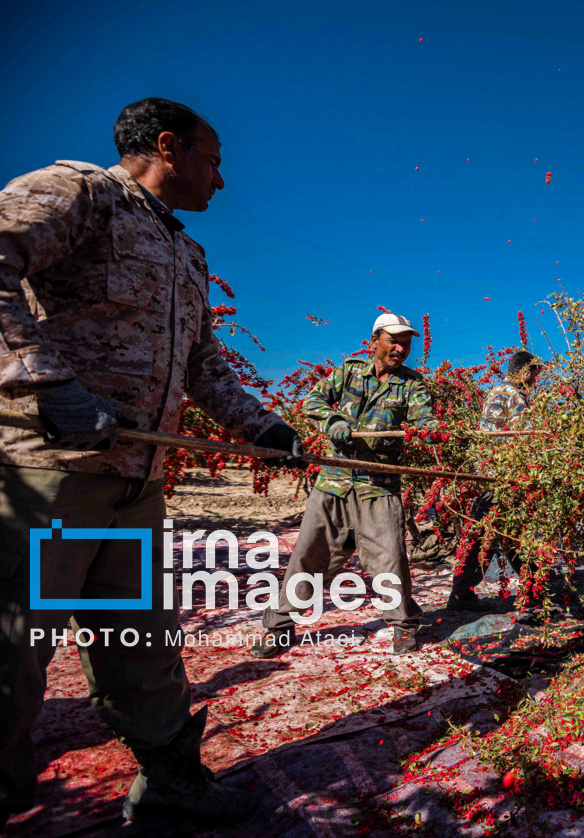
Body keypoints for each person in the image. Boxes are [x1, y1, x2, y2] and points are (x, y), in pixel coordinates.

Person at [0, 98, 304, 826]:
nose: (221, 182)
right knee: (13, 648)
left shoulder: (184, 253)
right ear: (167, 146)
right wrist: (47, 384)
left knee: (143, 643)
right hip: (51, 475)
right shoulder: (79, 195)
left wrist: (260, 425)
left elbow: (202, 363)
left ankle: (170, 782)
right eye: (213, 162)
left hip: (133, 484)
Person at [252, 313, 431, 658]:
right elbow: (312, 401)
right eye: (393, 340)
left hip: (378, 487)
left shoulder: (412, 385)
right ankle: (279, 627)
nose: (400, 348)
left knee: (390, 561)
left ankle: (403, 625)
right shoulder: (349, 372)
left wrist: (430, 430)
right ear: (375, 340)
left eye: (406, 342)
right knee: (308, 557)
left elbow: (425, 419)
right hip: (332, 485)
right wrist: (333, 419)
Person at [447, 349, 539, 611]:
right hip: (505, 476)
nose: (535, 378)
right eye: (534, 372)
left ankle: (462, 592)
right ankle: (533, 589)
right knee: (511, 534)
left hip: (488, 474)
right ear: (524, 372)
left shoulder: (495, 391)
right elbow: (525, 436)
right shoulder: (515, 396)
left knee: (488, 533)